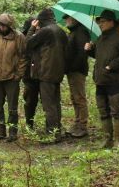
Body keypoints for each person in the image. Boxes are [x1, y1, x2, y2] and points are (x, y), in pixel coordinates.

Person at [85, 10, 119, 148]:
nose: (100, 24)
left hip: (114, 81)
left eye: (103, 21)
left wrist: (111, 66)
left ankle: (118, 141)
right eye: (99, 21)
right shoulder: (100, 38)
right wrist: (89, 50)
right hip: (100, 80)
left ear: (111, 22)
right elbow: (99, 56)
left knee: (116, 111)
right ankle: (107, 140)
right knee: (103, 111)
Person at [26, 8, 68, 140]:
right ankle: (57, 131)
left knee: (48, 104)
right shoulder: (61, 31)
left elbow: (28, 43)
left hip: (46, 72)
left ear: (41, 19)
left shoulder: (46, 30)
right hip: (58, 71)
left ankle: (51, 134)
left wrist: (32, 29)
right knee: (56, 103)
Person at [0, 13, 27, 141]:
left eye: (3, 25)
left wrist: (18, 74)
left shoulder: (19, 37)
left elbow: (23, 56)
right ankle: (0, 131)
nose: (1, 27)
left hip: (12, 78)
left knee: (12, 107)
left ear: (9, 26)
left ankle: (12, 132)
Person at [63, 14, 90, 138]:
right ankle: (77, 122)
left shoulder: (81, 32)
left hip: (78, 70)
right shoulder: (73, 32)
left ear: (74, 19)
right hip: (72, 70)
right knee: (74, 97)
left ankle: (82, 125)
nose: (66, 21)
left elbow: (82, 53)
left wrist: (73, 67)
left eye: (68, 18)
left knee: (79, 97)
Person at [20, 16, 41, 131]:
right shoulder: (23, 37)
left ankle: (51, 127)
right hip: (29, 75)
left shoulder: (43, 35)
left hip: (41, 74)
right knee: (30, 102)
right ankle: (29, 124)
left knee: (46, 101)